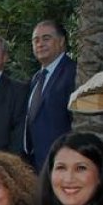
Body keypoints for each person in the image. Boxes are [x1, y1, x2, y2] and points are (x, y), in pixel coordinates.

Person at [25, 20, 78, 166]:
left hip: (61, 162)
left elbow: (78, 122)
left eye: (46, 38)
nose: (40, 44)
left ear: (61, 41)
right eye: (36, 40)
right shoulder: (36, 79)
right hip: (35, 164)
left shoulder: (74, 73)